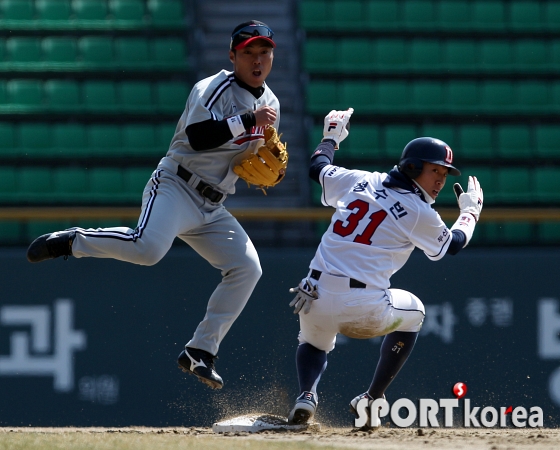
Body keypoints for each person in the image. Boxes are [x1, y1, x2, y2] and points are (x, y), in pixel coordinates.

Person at [26, 20, 280, 390]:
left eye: (264, 52)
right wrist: (247, 121)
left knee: (247, 268)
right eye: (249, 53)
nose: (257, 60)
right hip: (177, 184)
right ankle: (73, 241)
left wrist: (270, 169)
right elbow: (197, 137)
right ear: (232, 55)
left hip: (213, 204)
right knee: (148, 249)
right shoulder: (212, 88)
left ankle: (200, 351)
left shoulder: (271, 102)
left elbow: (256, 156)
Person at [286, 108, 483, 426]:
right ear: (413, 167)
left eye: (445, 175)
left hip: (314, 294)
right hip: (364, 307)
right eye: (435, 171)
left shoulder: (362, 180)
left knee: (312, 342)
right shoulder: (418, 210)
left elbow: (317, 168)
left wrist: (330, 137)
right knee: (415, 312)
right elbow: (454, 244)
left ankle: (307, 394)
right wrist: (470, 212)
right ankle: (372, 399)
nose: (441, 181)